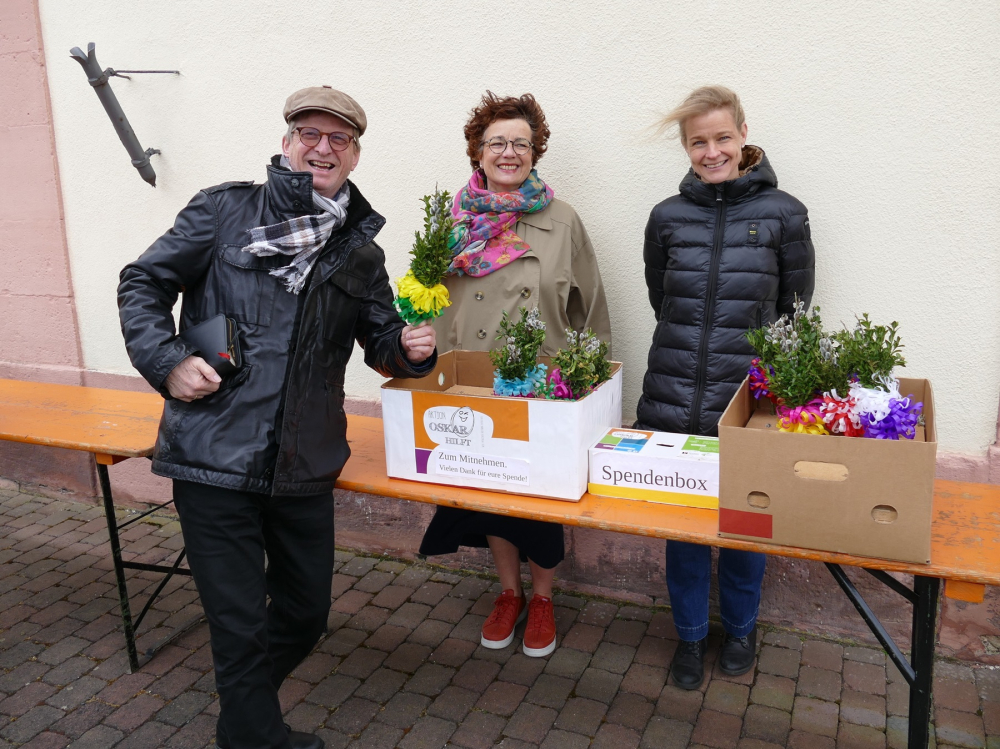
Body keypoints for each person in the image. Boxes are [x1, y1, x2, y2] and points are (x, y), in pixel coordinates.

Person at [117, 86, 437, 749]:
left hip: (303, 462)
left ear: (354, 155)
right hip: (213, 453)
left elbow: (381, 340)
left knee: (304, 613)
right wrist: (168, 360)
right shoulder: (224, 211)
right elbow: (143, 281)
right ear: (287, 142)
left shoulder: (360, 250)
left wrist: (408, 351)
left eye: (339, 138)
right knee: (238, 626)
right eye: (309, 134)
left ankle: (243, 717)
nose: (323, 147)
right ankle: (255, 736)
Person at [419, 92, 611, 657]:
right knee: (489, 494)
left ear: (535, 152)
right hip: (473, 378)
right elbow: (428, 300)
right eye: (497, 142)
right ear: (478, 152)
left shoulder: (562, 219)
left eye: (521, 144)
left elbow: (590, 305)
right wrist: (425, 366)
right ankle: (508, 591)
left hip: (541, 381)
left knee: (539, 500)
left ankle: (543, 598)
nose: (509, 152)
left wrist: (592, 382)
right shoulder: (451, 220)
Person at [636, 85, 815, 689]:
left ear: (742, 135)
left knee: (745, 526)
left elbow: (794, 311)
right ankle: (690, 635)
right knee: (684, 532)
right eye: (698, 142)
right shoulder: (666, 217)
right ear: (686, 148)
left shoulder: (785, 214)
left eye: (721, 138)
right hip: (673, 394)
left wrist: (769, 392)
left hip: (745, 402)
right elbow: (662, 300)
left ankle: (740, 629)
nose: (711, 152)